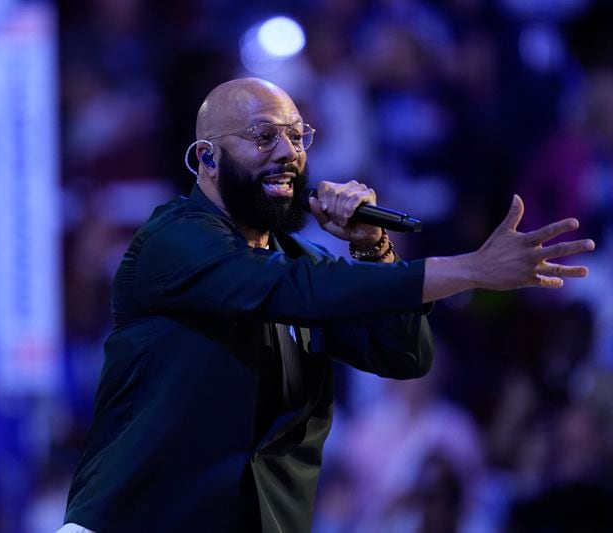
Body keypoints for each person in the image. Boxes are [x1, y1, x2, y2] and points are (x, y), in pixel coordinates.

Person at [60, 78, 594, 533]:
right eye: (261, 136)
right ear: (207, 158)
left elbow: (402, 355)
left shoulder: (299, 259)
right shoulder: (173, 241)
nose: (287, 152)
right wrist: (472, 269)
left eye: (297, 136)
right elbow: (301, 291)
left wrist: (372, 247)